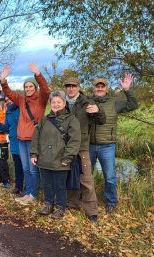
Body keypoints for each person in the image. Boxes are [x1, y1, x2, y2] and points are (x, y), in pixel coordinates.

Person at [0, 63, 51, 205]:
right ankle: (28, 193)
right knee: (26, 168)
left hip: (34, 140)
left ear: (35, 87)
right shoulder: (21, 100)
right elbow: (9, 93)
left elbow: (46, 90)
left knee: (34, 170)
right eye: (26, 87)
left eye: (31, 86)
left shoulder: (41, 100)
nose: (28, 89)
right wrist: (3, 80)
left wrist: (38, 75)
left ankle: (33, 195)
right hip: (21, 140)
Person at [89, 74, 138, 213]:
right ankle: (86, 198)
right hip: (89, 145)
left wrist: (127, 90)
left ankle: (111, 202)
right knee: (86, 175)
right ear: (94, 88)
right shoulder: (88, 101)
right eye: (97, 86)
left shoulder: (114, 102)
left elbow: (133, 104)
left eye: (102, 86)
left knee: (109, 176)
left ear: (106, 88)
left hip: (107, 146)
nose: (99, 88)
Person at [30, 91, 81, 219]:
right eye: (53, 102)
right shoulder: (45, 119)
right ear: (50, 103)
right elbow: (36, 137)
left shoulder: (71, 120)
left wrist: (67, 158)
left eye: (59, 102)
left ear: (64, 103)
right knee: (47, 184)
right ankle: (48, 204)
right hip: (44, 159)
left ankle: (60, 207)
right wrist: (34, 154)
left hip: (60, 160)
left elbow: (74, 141)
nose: (56, 104)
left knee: (60, 186)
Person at [63, 77, 106, 221]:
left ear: (78, 87)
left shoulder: (86, 102)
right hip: (65, 147)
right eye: (68, 86)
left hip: (82, 147)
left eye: (73, 86)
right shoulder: (62, 103)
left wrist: (98, 110)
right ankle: (72, 203)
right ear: (65, 88)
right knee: (69, 176)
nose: (71, 88)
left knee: (86, 179)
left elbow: (101, 120)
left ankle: (91, 211)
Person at [0, 97, 24, 195]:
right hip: (14, 143)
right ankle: (18, 186)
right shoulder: (8, 112)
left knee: (27, 168)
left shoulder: (22, 109)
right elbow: (7, 128)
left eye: (10, 99)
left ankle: (29, 189)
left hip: (24, 142)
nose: (8, 101)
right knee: (17, 166)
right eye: (6, 100)